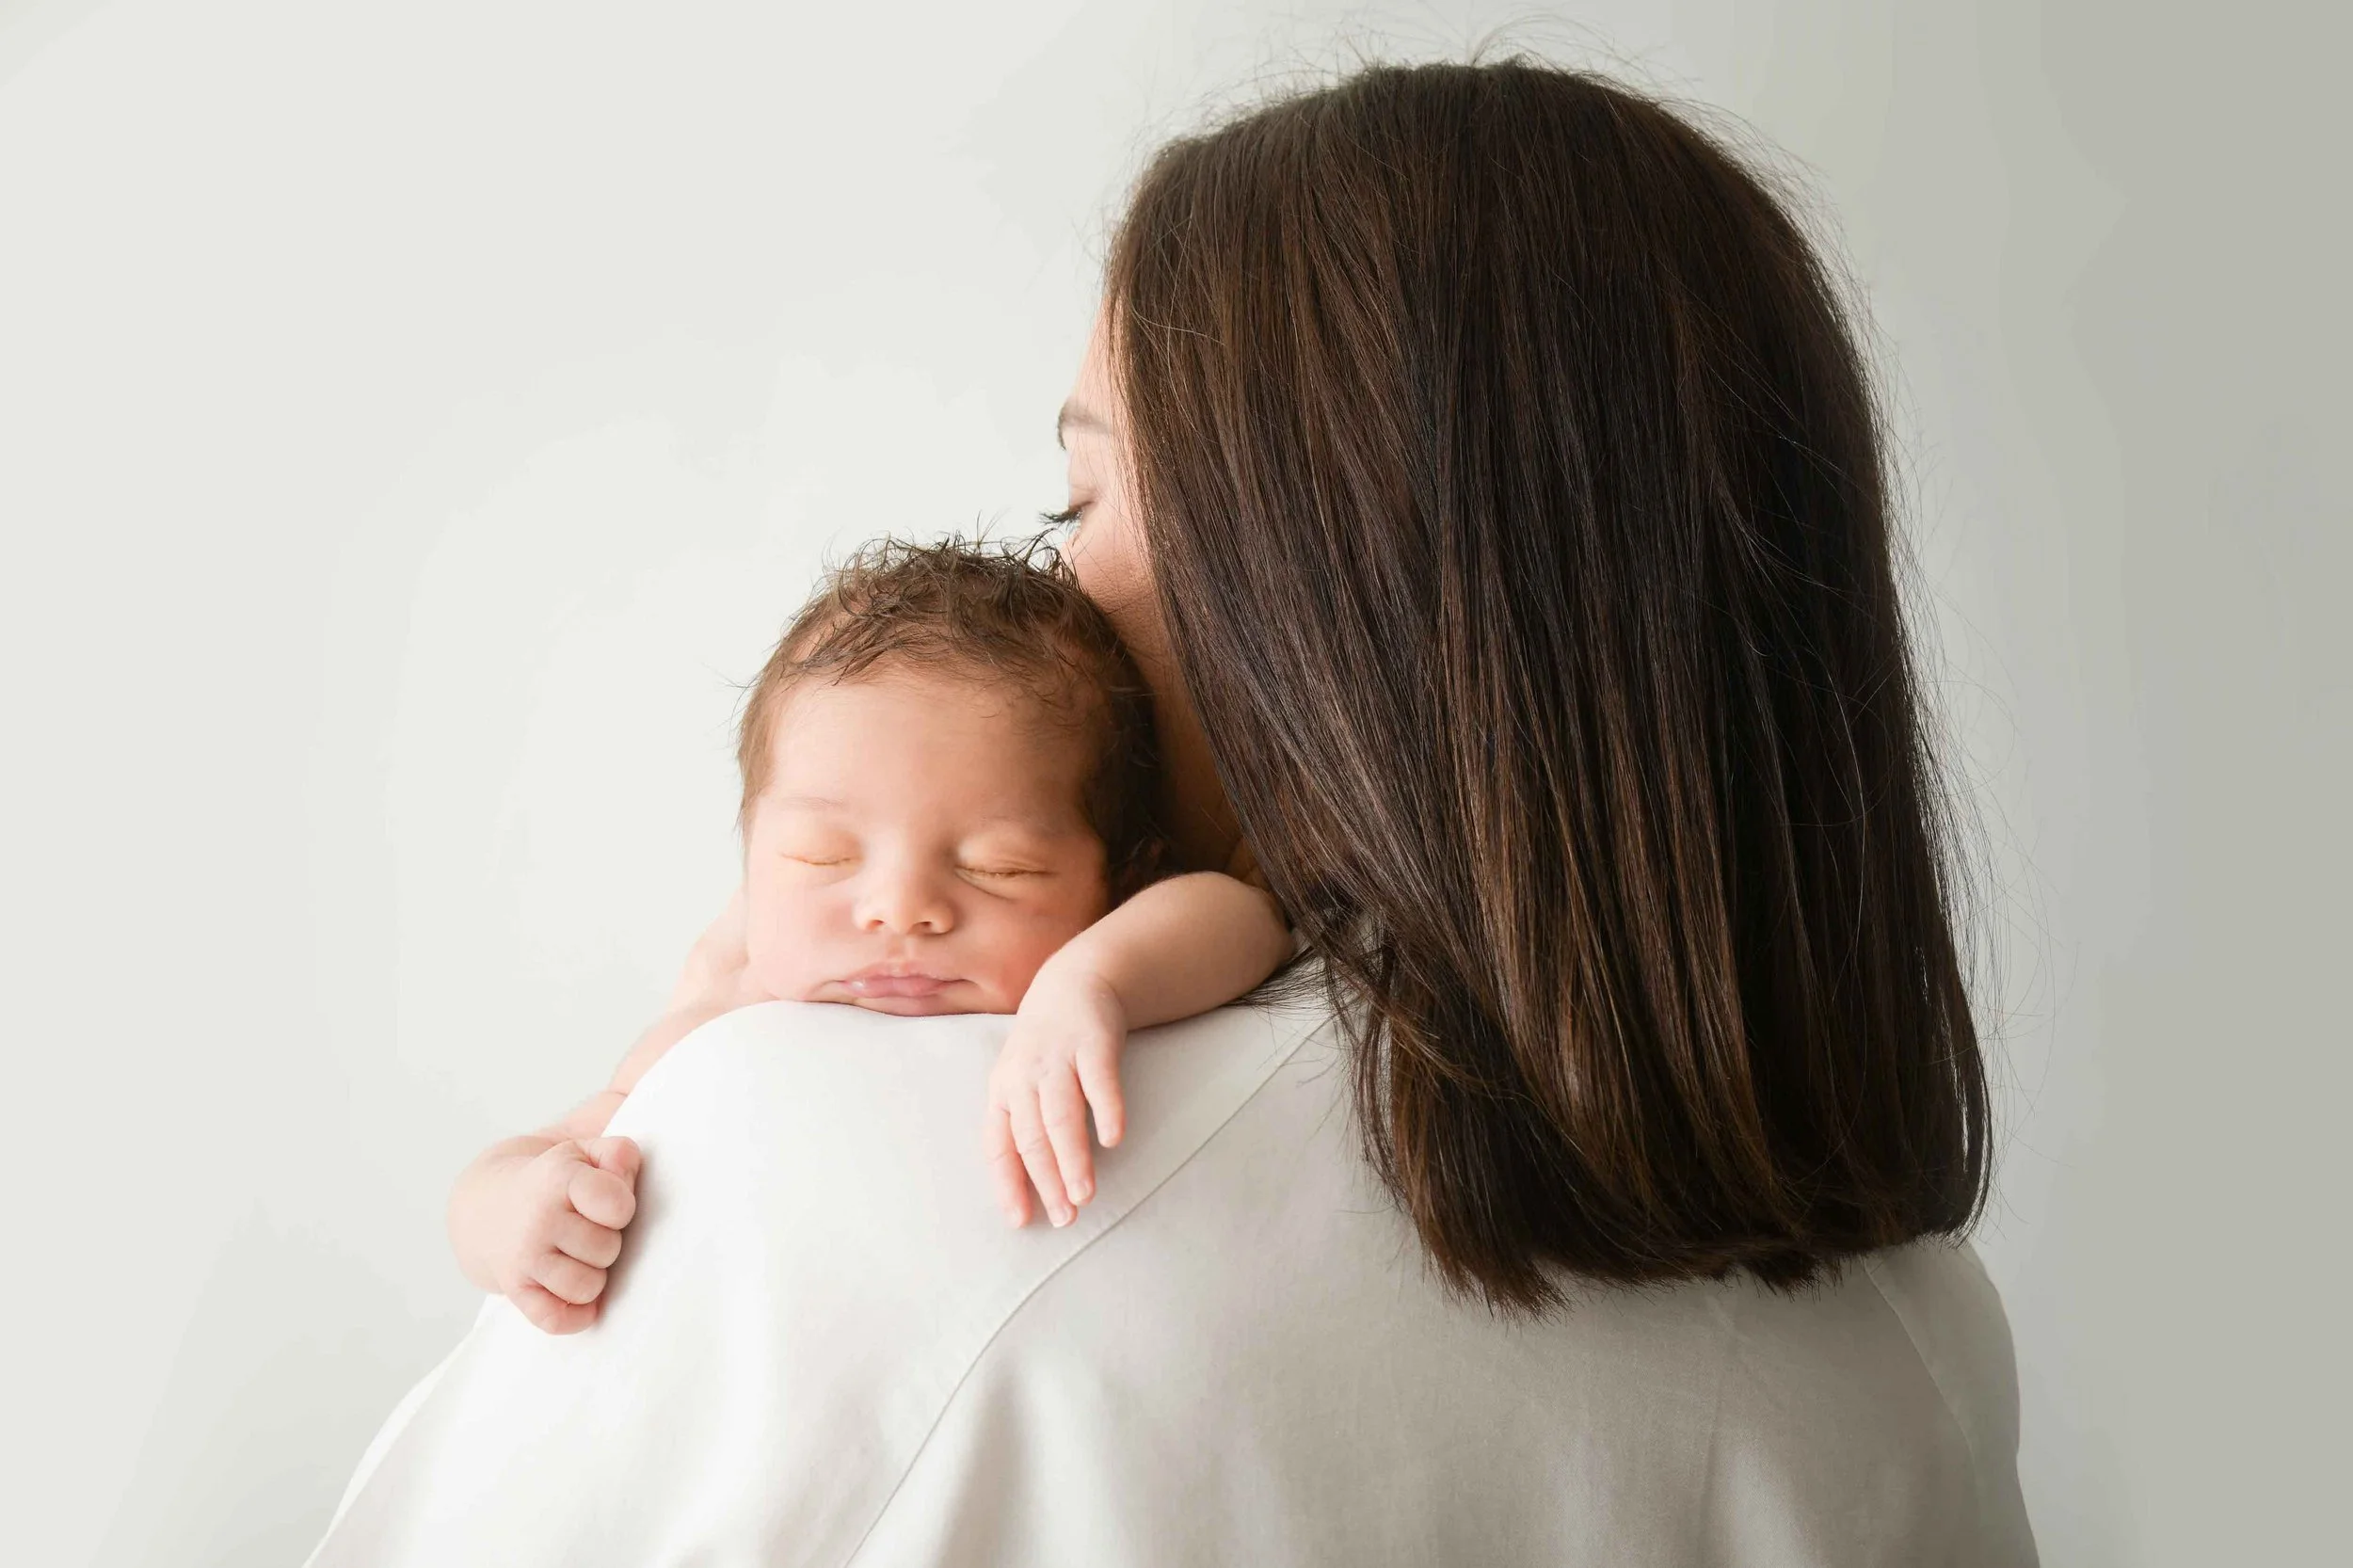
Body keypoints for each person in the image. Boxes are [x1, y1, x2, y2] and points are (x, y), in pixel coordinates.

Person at [308, 57, 2037, 1566]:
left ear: (1325, 587)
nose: (1059, 590)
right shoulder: (1920, 1354)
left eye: (1087, 496)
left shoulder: (853, 1172)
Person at [442, 536, 1291, 1334]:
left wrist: (1095, 980)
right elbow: (513, 1168)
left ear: (1119, 880)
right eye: (824, 855)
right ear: (751, 866)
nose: (900, 908)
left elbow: (1247, 920)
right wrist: (516, 1215)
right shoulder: (723, 1014)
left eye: (999, 868)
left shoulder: (1095, 959)